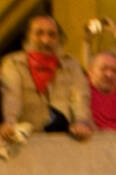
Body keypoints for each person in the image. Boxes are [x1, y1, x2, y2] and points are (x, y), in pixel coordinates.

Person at [0, 12, 92, 142]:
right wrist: (10, 122)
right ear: (27, 37)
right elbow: (12, 96)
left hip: (65, 139)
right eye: (39, 33)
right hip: (27, 140)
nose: (46, 40)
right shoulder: (13, 63)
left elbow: (80, 97)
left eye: (52, 34)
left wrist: (81, 122)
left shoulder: (72, 65)